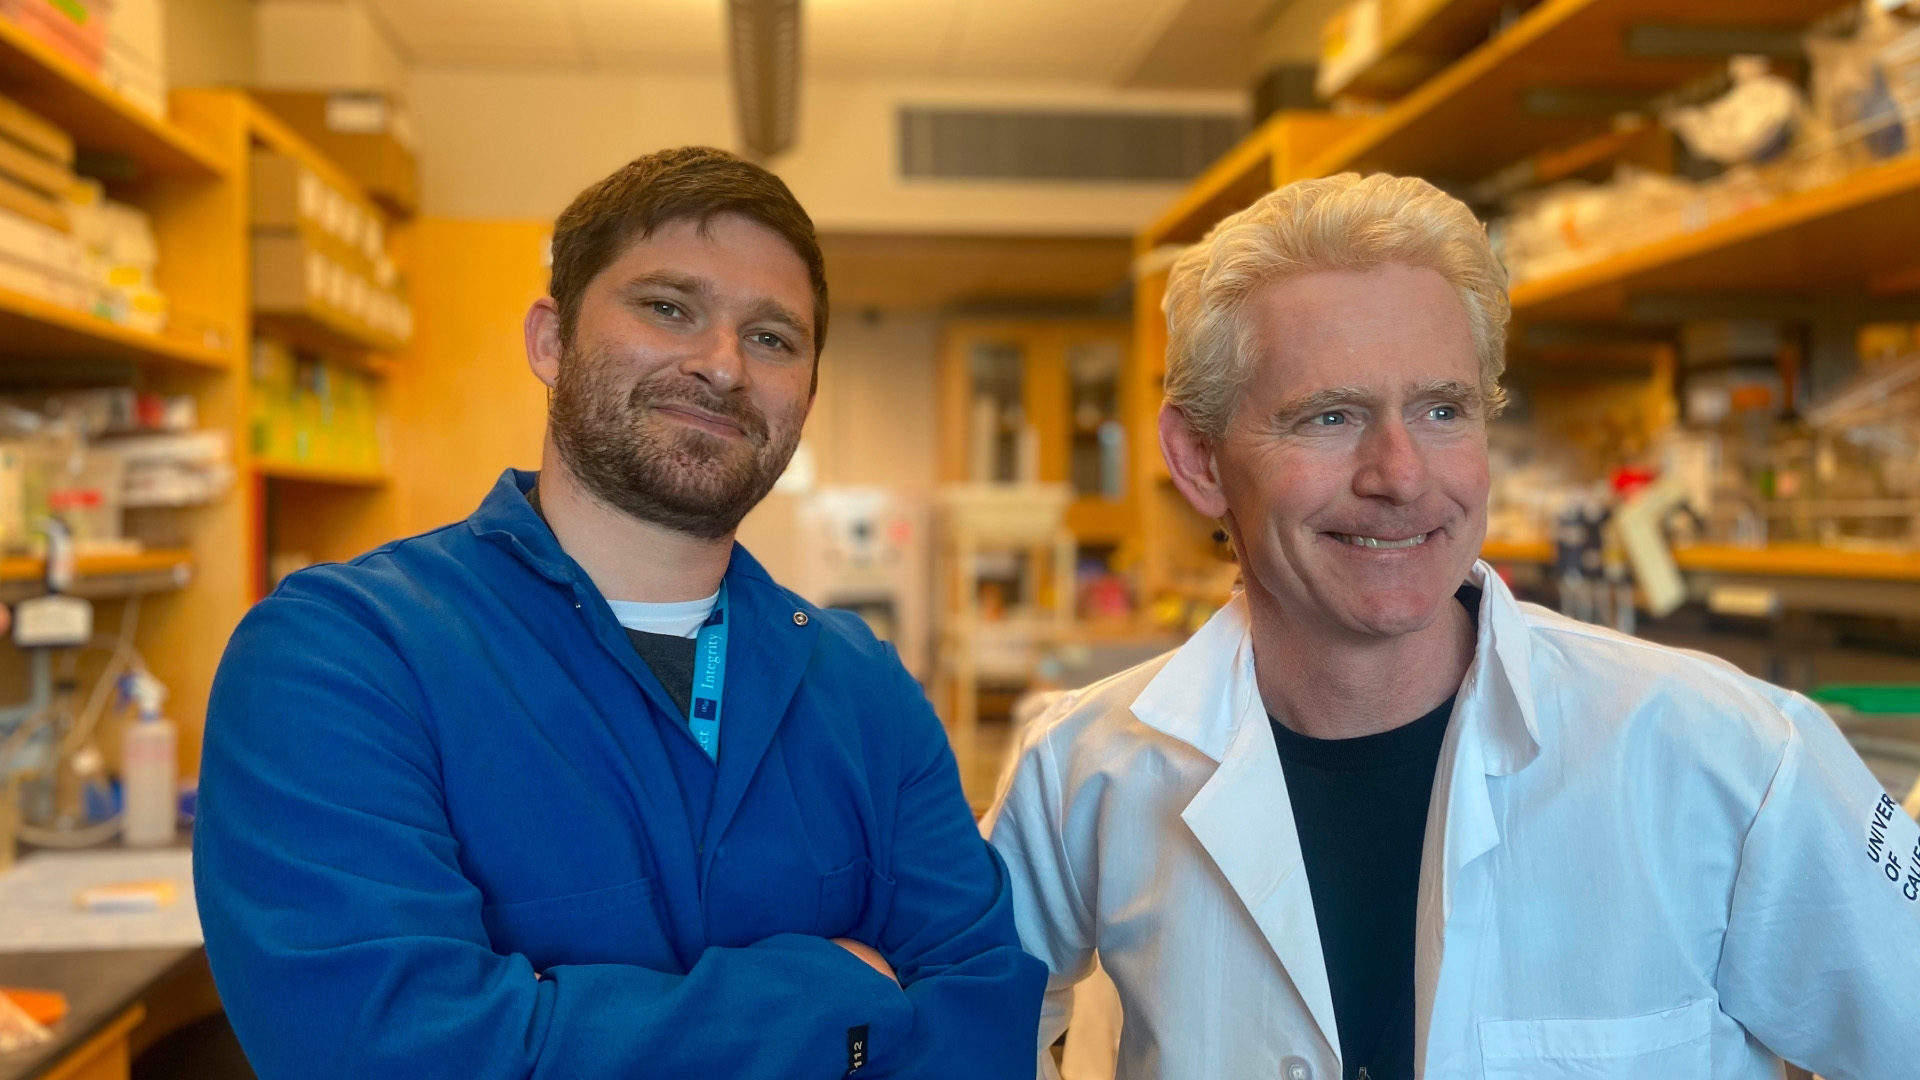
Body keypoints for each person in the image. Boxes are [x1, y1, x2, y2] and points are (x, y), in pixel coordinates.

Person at [985, 172, 1920, 1080]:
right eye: (1330, 416)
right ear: (1199, 459)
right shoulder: (1082, 773)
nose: (1399, 473)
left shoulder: (1733, 756)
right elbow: (959, 1035)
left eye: (1443, 410)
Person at [196, 146, 1046, 1079]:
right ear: (550, 341)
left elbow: (984, 1017)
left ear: (805, 393)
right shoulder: (342, 657)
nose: (722, 366)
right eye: (668, 307)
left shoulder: (863, 689)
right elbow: (384, 1052)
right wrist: (838, 1004)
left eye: (772, 337)